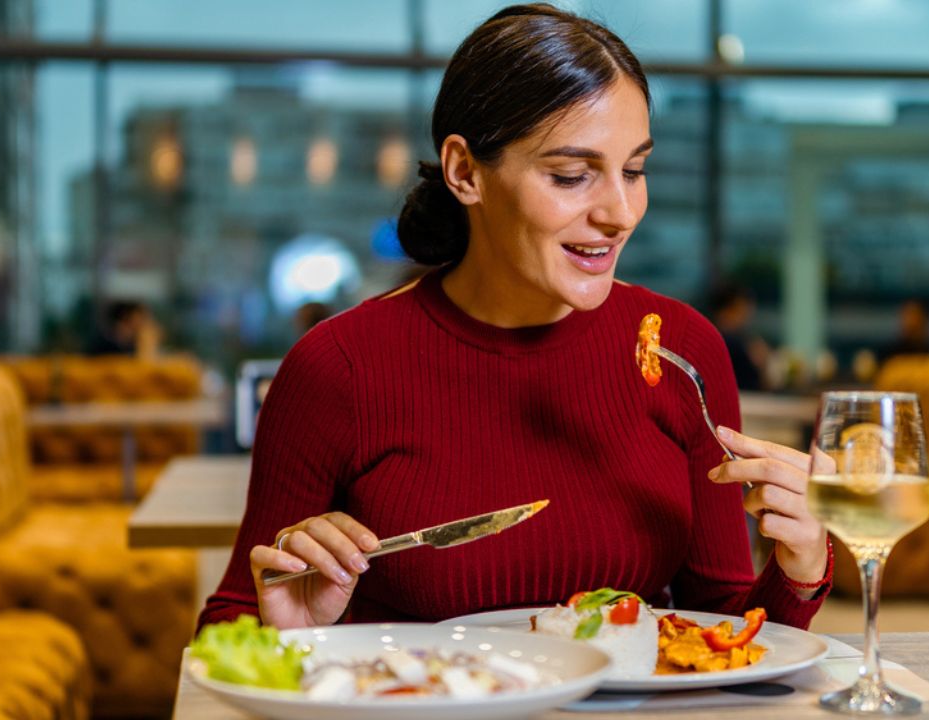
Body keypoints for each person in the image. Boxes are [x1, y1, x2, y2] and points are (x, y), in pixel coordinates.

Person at [199, 3, 830, 634]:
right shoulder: (338, 367)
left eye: (634, 171)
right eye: (572, 175)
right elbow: (230, 625)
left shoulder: (681, 349)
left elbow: (722, 629)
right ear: (465, 172)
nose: (620, 212)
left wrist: (801, 565)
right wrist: (285, 633)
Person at [707, 283, 767, 391]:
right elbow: (754, 384)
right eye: (742, 310)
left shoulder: (708, 337)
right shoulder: (732, 343)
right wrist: (760, 364)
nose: (747, 316)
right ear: (727, 310)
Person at [87, 300, 160, 357]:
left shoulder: (128, 344)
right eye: (141, 316)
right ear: (126, 316)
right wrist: (146, 345)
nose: (144, 322)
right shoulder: (105, 345)